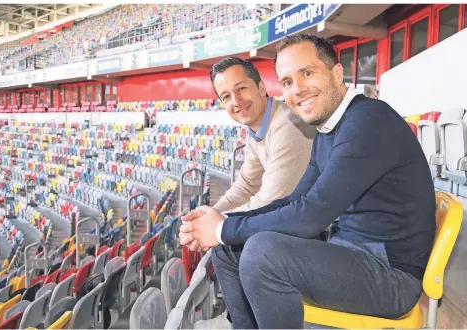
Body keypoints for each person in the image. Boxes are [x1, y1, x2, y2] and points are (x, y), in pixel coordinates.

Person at [180, 34, 436, 329]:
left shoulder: (368, 121)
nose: (297, 89)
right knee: (227, 248)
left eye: (307, 73)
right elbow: (294, 201)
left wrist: (223, 228)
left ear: (337, 73)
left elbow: (311, 216)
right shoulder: (329, 128)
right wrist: (224, 222)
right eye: (287, 82)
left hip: (390, 275)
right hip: (351, 251)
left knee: (261, 252)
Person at [209, 57, 315, 214]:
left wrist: (214, 224)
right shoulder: (256, 127)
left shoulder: (288, 126)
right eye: (226, 96)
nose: (236, 101)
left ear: (261, 88)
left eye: (241, 89)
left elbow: (270, 202)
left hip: (327, 229)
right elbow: (247, 185)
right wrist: (210, 213)